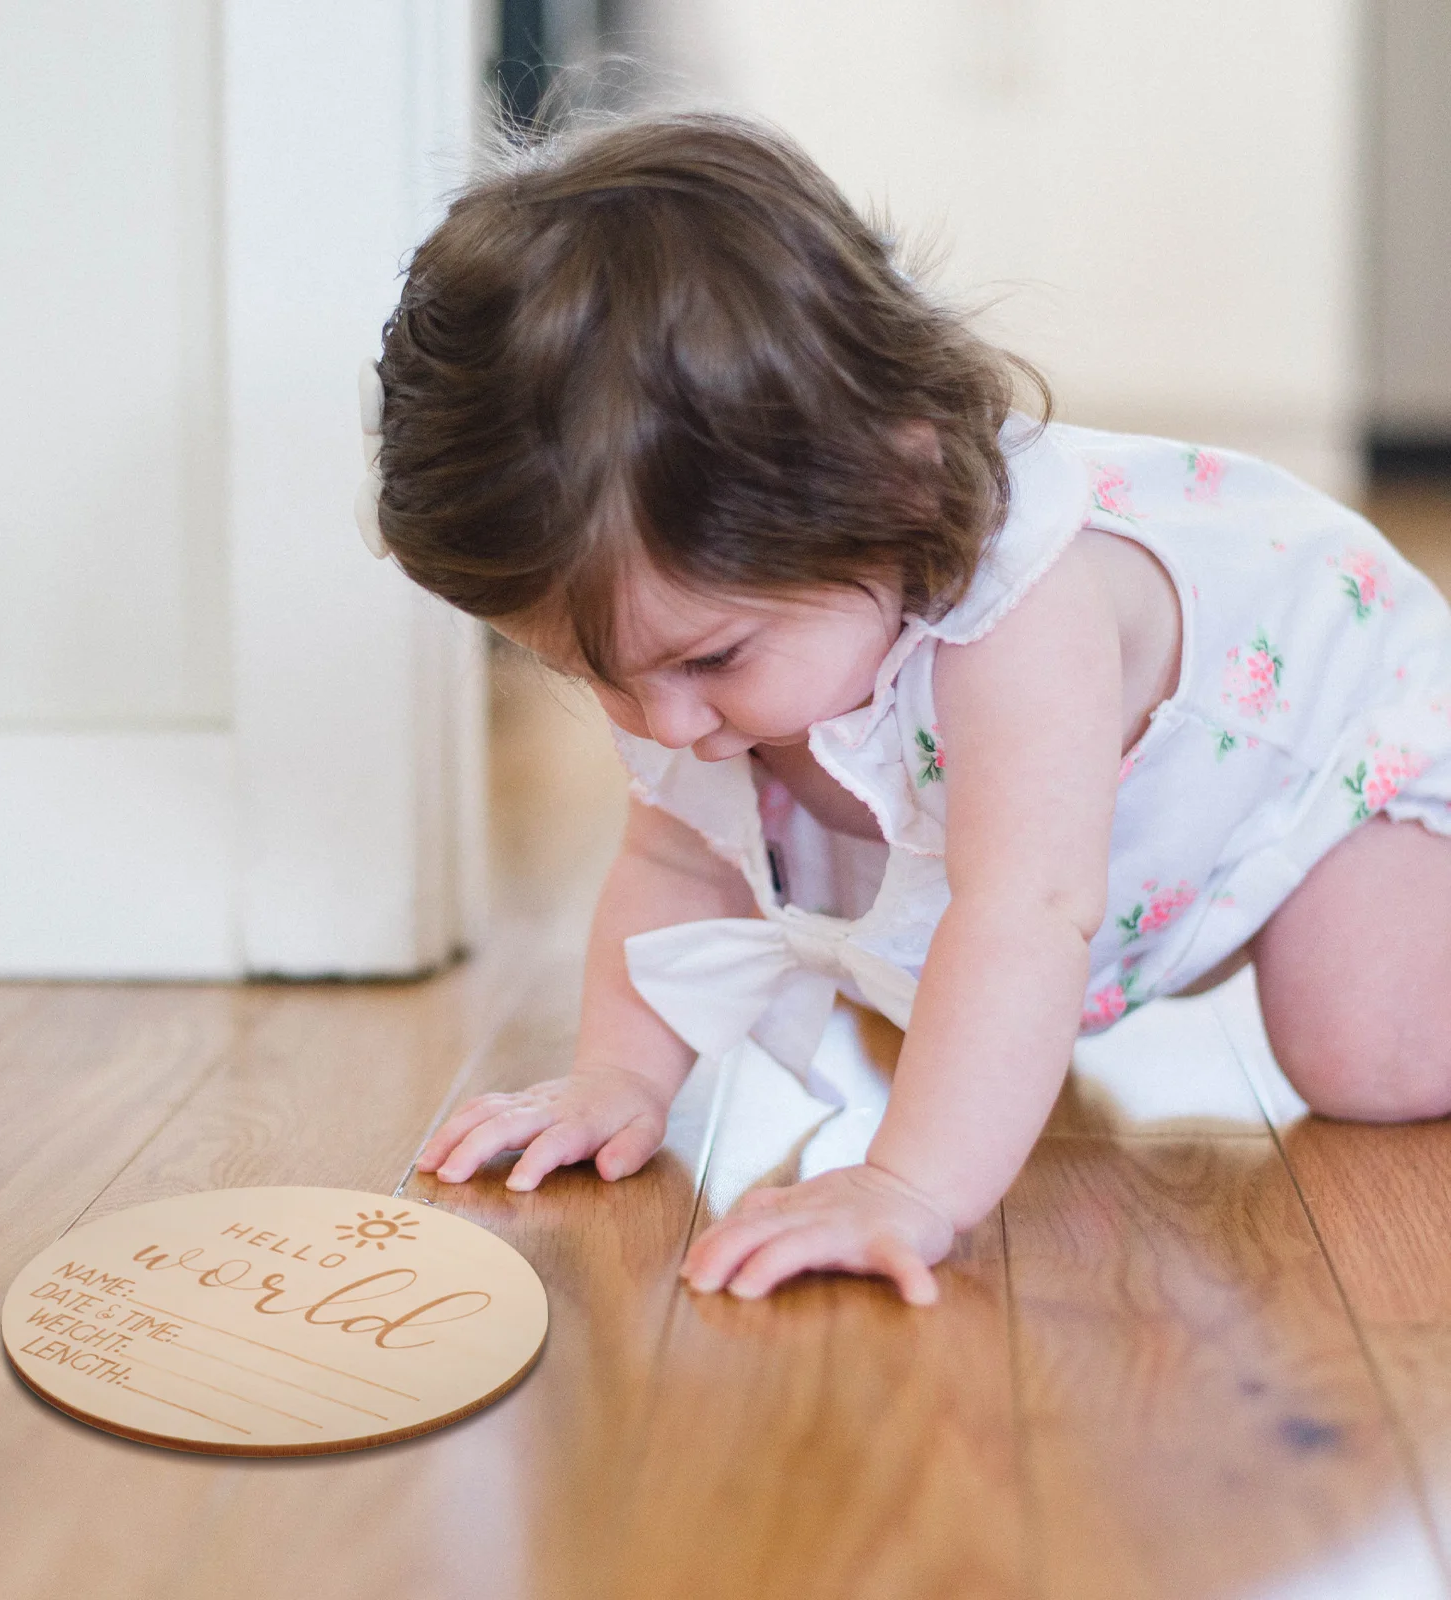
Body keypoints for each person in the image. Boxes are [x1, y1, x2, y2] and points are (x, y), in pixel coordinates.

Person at [359, 113, 1451, 1306]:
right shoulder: (702, 662)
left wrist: (908, 1184)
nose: (662, 722)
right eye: (593, 675)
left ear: (894, 483)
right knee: (924, 986)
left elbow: (1026, 908)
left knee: (1370, 1052)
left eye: (711, 656)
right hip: (1136, 840)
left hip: (1330, 753)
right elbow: (675, 867)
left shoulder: (1023, 622)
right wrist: (616, 1077)